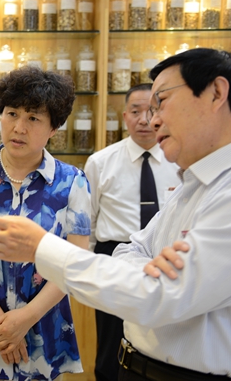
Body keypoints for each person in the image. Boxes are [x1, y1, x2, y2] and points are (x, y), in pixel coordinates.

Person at [0, 48, 231, 381]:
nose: (152, 120)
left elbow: (158, 296)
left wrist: (40, 248)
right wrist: (147, 271)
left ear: (216, 93)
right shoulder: (196, 183)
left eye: (162, 101)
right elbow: (131, 249)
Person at [0, 66, 90, 381]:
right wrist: (1, 326)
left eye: (33, 118)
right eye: (12, 114)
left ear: (54, 128)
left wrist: (24, 320)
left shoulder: (73, 182)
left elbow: (75, 261)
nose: (19, 128)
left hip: (42, 326)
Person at [84, 83, 179, 381]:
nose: (143, 119)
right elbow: (88, 219)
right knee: (111, 344)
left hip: (166, 257)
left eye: (150, 111)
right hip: (113, 254)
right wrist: (92, 264)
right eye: (135, 111)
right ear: (124, 116)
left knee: (161, 338)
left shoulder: (179, 161)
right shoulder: (101, 162)